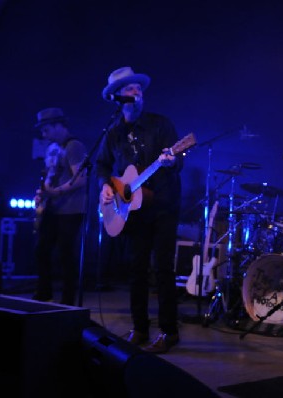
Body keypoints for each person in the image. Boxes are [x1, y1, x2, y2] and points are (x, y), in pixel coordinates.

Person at [96, 67, 183, 354]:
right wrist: (106, 186)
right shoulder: (113, 132)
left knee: (162, 269)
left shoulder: (161, 125)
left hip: (163, 206)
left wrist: (171, 160)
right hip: (131, 210)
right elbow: (102, 166)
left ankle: (169, 332)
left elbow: (177, 160)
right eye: (130, 89)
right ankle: (140, 328)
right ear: (117, 97)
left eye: (138, 88)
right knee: (135, 270)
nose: (137, 92)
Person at [32, 108, 87, 306]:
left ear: (58, 126)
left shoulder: (74, 146)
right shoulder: (52, 148)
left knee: (66, 252)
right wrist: (42, 192)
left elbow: (80, 178)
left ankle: (68, 299)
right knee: (42, 249)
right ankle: (43, 292)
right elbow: (49, 174)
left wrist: (57, 192)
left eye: (46, 129)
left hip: (71, 209)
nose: (43, 134)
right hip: (53, 207)